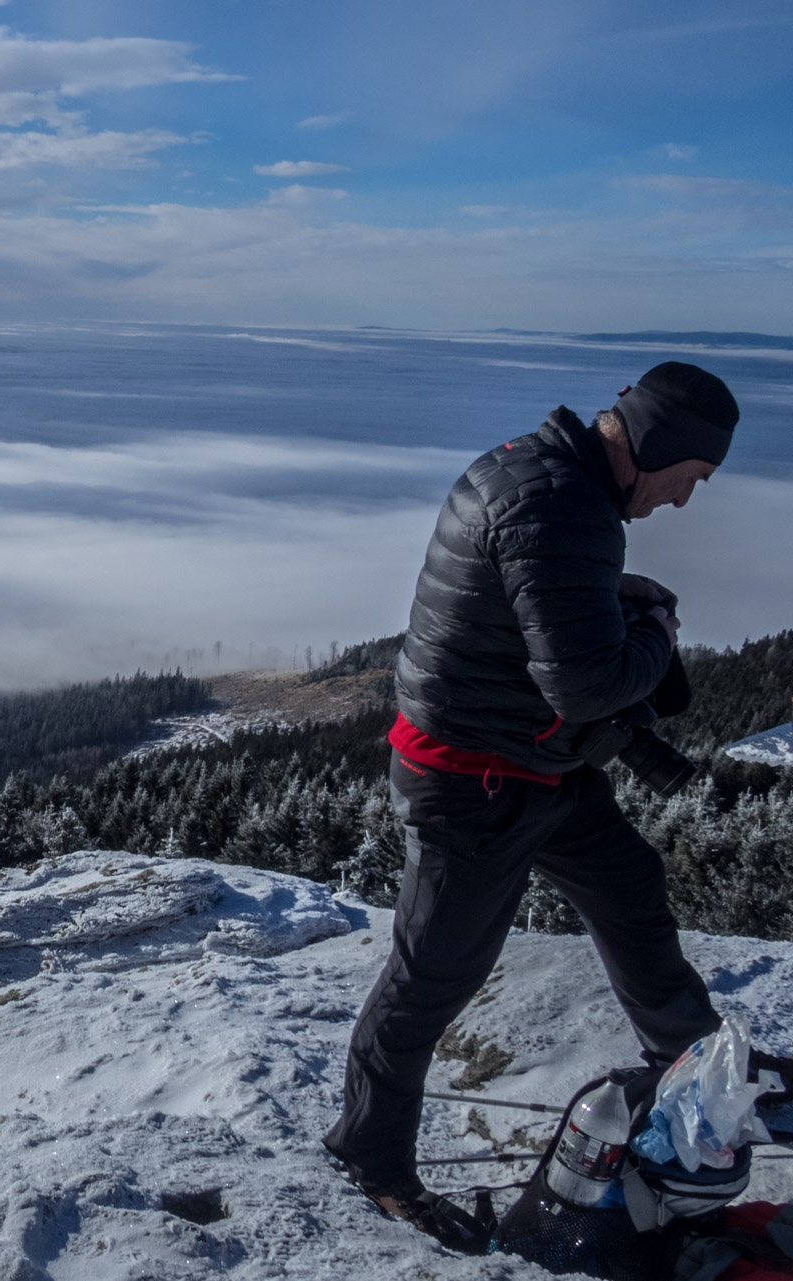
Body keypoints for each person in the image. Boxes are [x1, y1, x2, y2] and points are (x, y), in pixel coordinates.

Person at [323, 361, 754, 1250]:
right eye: (693, 480)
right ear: (665, 446)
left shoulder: (552, 477)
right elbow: (589, 681)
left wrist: (612, 598)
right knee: (432, 973)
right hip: (476, 783)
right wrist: (655, 632)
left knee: (630, 884)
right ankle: (368, 1157)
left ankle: (698, 1065)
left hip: (532, 764)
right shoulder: (559, 501)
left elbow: (536, 611)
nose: (682, 503)